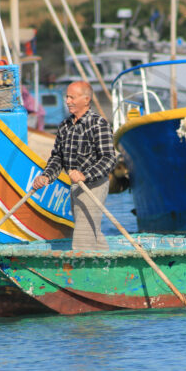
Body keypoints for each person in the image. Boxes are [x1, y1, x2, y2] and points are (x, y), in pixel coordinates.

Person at [32, 81, 116, 250]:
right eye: (67, 97)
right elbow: (57, 158)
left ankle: (82, 271)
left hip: (94, 185)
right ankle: (105, 266)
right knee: (90, 229)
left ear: (86, 100)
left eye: (72, 97)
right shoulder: (64, 126)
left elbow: (109, 159)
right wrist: (46, 176)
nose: (68, 101)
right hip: (75, 186)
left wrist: (85, 175)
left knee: (83, 233)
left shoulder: (98, 124)